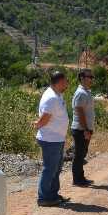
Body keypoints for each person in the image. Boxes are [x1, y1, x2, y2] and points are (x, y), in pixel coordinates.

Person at [33, 71, 69, 207]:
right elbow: (44, 119)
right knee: (50, 169)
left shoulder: (57, 95)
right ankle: (43, 197)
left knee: (56, 168)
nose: (67, 84)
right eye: (66, 81)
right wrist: (37, 124)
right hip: (50, 140)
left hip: (56, 139)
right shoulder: (51, 97)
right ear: (59, 82)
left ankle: (53, 194)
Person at [71, 69, 95, 187]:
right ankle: (77, 180)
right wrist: (85, 129)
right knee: (79, 154)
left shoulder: (86, 92)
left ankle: (81, 177)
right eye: (89, 77)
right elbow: (79, 112)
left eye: (92, 77)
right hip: (81, 129)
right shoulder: (81, 93)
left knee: (82, 153)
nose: (91, 79)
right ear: (81, 78)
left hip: (84, 128)